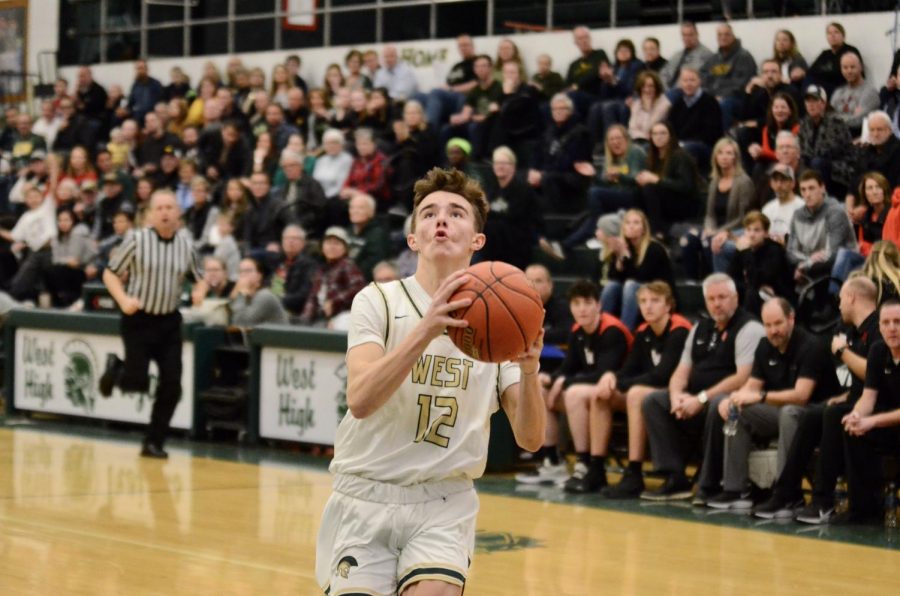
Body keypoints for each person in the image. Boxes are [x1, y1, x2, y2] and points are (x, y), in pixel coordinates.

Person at [315, 167, 544, 595]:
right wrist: (426, 329)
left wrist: (529, 370)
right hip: (366, 494)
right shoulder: (378, 300)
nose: (441, 219)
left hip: (444, 500)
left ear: (478, 240)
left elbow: (531, 438)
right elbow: (361, 400)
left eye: (456, 212)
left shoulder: (502, 322)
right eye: (428, 213)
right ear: (413, 238)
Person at [701, 298, 842, 509]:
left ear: (791, 319)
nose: (773, 330)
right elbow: (752, 386)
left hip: (813, 414)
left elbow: (802, 396)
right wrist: (734, 399)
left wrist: (760, 397)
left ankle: (787, 492)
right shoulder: (765, 345)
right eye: (768, 325)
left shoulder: (811, 346)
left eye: (778, 323)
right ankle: (735, 489)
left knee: (789, 412)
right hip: (778, 410)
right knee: (735, 410)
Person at [98, 190, 206, 459]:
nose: (165, 212)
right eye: (160, 208)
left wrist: (200, 291)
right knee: (137, 381)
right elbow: (109, 274)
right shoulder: (136, 240)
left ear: (178, 213)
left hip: (169, 322)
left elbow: (200, 277)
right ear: (150, 214)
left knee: (172, 385)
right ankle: (118, 367)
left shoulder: (186, 246)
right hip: (139, 320)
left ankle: (153, 442)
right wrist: (123, 300)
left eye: (170, 207)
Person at [641, 273, 765, 500]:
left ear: (735, 298)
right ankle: (675, 477)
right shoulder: (699, 328)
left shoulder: (750, 328)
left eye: (722, 297)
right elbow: (681, 371)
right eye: (711, 299)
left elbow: (742, 376)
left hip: (728, 400)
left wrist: (700, 399)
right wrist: (677, 395)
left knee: (719, 404)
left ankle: (710, 482)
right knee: (654, 401)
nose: (717, 304)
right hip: (696, 398)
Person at [778, 277, 881, 524]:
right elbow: (863, 383)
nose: (838, 305)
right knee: (814, 413)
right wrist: (843, 396)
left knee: (832, 415)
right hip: (862, 401)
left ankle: (823, 502)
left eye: (841, 299)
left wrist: (842, 352)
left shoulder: (878, 327)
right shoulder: (858, 331)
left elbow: (873, 373)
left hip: (879, 407)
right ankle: (785, 493)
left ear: (852, 297)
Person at [596, 281, 692, 498]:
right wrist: (612, 377)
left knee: (636, 393)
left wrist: (622, 383)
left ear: (668, 305)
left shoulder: (679, 331)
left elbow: (662, 376)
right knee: (602, 395)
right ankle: (593, 466)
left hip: (678, 395)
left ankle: (634, 471)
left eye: (655, 301)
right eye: (643, 301)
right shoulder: (643, 332)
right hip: (650, 394)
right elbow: (629, 369)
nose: (648, 307)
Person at [535, 280, 632, 493]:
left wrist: (564, 382)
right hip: (593, 393)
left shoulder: (611, 331)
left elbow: (604, 374)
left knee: (574, 394)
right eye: (576, 303)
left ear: (598, 305)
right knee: (541, 389)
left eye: (587, 303)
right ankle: (552, 460)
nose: (582, 309)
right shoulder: (578, 330)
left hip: (618, 392)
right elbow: (568, 367)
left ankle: (584, 463)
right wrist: (551, 379)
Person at [840, 299, 900, 524]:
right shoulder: (877, 350)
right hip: (888, 422)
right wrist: (857, 415)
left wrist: (872, 422)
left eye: (898, 322)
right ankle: (863, 510)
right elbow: (868, 397)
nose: (892, 327)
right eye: (886, 322)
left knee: (868, 426)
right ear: (880, 327)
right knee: (852, 429)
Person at [681, 137, 755, 280]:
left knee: (712, 242)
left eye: (729, 153)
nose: (724, 157)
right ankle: (692, 282)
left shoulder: (744, 182)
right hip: (715, 229)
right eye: (720, 153)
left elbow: (743, 217)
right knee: (688, 239)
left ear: (736, 157)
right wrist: (710, 228)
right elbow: (709, 214)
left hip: (735, 230)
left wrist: (719, 232)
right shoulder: (715, 181)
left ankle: (717, 281)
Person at [600, 209, 675, 329]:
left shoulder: (654, 249)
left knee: (631, 285)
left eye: (636, 223)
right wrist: (619, 258)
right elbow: (614, 279)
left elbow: (641, 278)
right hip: (632, 298)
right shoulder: (622, 247)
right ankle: (601, 327)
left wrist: (626, 257)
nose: (631, 226)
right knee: (612, 286)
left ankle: (625, 333)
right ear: (623, 228)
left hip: (658, 295)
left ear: (644, 228)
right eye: (628, 223)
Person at [787, 170, 857, 285]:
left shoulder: (836, 212)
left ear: (822, 188)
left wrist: (805, 265)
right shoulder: (797, 215)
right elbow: (791, 252)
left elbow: (833, 254)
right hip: (811, 269)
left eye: (811, 188)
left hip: (841, 271)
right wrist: (808, 261)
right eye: (803, 190)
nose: (807, 194)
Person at [635, 122, 701, 238]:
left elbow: (686, 186)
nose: (658, 137)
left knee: (649, 188)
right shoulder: (652, 158)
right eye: (655, 134)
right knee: (638, 191)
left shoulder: (680, 156)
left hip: (684, 203)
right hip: (666, 202)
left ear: (671, 136)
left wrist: (657, 180)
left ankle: (657, 232)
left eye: (663, 133)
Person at [479, 146, 540, 270]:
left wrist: (490, 210)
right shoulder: (492, 189)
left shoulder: (523, 189)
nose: (500, 166)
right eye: (497, 163)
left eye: (504, 163)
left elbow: (515, 216)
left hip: (517, 243)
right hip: (495, 242)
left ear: (513, 166)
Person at [299, 226, 366, 329]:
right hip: (320, 318)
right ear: (322, 247)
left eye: (336, 243)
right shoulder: (320, 271)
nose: (332, 247)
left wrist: (334, 302)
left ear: (345, 248)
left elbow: (359, 288)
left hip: (343, 316)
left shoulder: (347, 265)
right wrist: (304, 319)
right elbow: (312, 299)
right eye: (329, 243)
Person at [733, 211, 794, 315]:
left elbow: (757, 279)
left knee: (751, 294)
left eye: (757, 230)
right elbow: (732, 278)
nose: (752, 235)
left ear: (765, 233)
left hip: (778, 297)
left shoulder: (774, 251)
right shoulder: (743, 249)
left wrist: (747, 253)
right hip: (755, 293)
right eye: (748, 230)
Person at [798, 84, 854, 196]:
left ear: (823, 103)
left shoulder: (836, 122)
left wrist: (806, 157)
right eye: (808, 101)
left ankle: (820, 197)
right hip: (814, 165)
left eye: (815, 101)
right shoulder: (804, 123)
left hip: (838, 167)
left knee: (817, 162)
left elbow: (828, 151)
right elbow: (803, 149)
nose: (811, 105)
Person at [269, 224, 319, 317]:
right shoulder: (276, 260)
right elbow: (267, 283)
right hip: (271, 305)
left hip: (292, 311)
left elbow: (304, 295)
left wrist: (277, 300)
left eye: (295, 238)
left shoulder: (310, 265)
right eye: (287, 238)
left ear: (303, 243)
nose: (290, 241)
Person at [806, 22, 863, 98]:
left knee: (814, 84)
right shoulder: (825, 54)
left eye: (836, 32)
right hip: (826, 87)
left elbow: (841, 74)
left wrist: (823, 74)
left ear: (843, 36)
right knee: (808, 80)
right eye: (829, 33)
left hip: (843, 88)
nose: (832, 35)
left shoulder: (850, 51)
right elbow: (811, 71)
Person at [830, 52, 879, 138]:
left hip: (857, 138)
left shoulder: (870, 92)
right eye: (845, 67)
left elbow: (858, 121)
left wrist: (836, 117)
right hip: (836, 136)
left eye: (852, 67)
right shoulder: (838, 92)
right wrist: (851, 116)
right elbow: (828, 116)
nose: (849, 71)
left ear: (861, 68)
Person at [229, 257, 289, 326]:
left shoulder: (265, 296)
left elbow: (241, 324)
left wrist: (241, 294)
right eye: (240, 272)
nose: (243, 275)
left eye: (247, 271)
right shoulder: (244, 296)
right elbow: (228, 321)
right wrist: (233, 298)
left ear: (259, 276)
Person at [524, 264, 573, 346]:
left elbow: (565, 334)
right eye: (529, 281)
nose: (532, 285)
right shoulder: (516, 308)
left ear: (550, 284)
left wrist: (529, 335)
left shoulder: (563, 307)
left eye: (538, 281)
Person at [659, 21, 713, 92]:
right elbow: (664, 74)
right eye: (684, 35)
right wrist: (666, 90)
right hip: (671, 93)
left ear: (697, 35)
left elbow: (708, 80)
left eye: (690, 35)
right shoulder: (677, 55)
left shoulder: (706, 55)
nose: (687, 38)